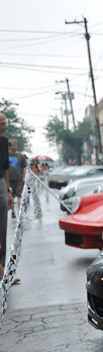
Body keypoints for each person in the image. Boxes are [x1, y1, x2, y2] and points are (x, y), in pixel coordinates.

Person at [0, 113, 10, 280]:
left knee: (2, 230)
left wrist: (9, 191)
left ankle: (3, 271)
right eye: (2, 123)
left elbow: (6, 167)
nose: (5, 126)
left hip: (1, 182)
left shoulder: (3, 142)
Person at [8, 139, 26, 216]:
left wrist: (23, 177)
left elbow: (24, 167)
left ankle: (19, 211)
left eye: (16, 145)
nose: (15, 147)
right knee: (11, 195)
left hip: (18, 178)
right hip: (9, 179)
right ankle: (12, 211)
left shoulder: (21, 156)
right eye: (13, 145)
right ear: (9, 146)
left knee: (19, 195)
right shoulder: (6, 155)